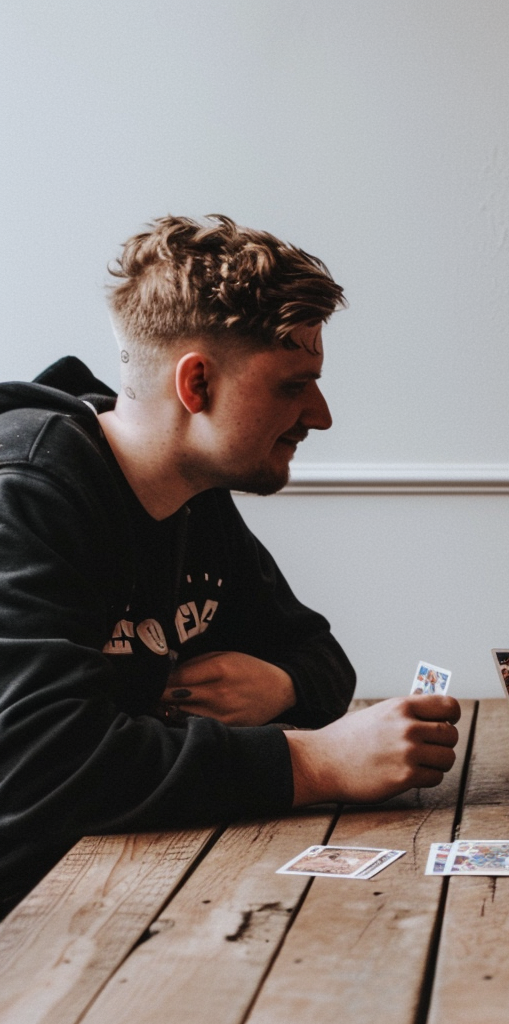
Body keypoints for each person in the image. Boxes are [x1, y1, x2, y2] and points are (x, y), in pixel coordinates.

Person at [0, 215, 459, 918]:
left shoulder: (195, 494)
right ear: (197, 383)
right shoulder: (27, 495)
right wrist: (314, 762)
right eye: (293, 384)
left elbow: (318, 656)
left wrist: (277, 685)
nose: (321, 415)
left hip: (139, 877)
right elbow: (44, 764)